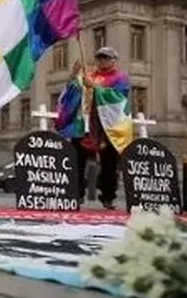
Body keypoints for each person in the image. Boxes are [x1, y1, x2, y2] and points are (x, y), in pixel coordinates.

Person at [54, 46, 133, 210]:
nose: (102, 61)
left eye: (106, 58)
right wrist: (73, 75)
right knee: (77, 162)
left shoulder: (120, 78)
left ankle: (108, 198)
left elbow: (119, 97)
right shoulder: (88, 76)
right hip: (85, 126)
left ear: (113, 60)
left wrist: (95, 88)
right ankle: (76, 195)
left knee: (109, 165)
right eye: (100, 58)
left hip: (108, 128)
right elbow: (71, 93)